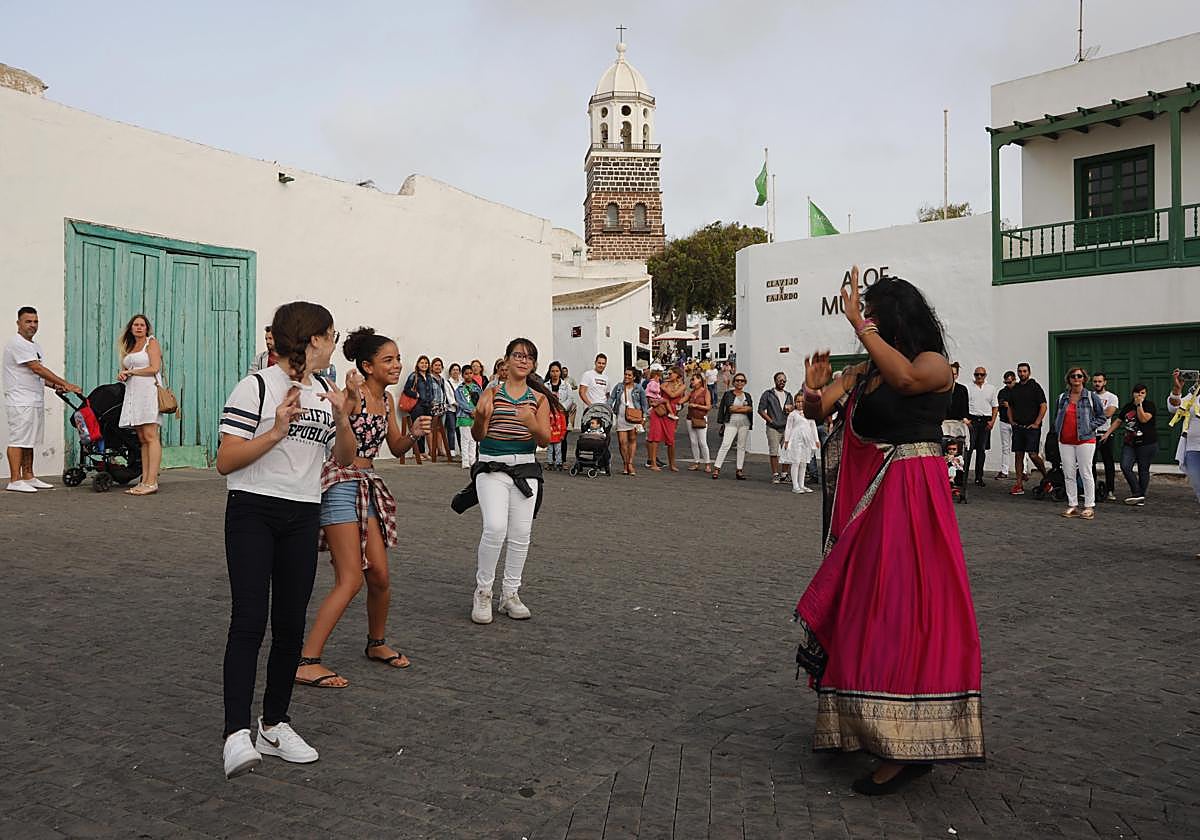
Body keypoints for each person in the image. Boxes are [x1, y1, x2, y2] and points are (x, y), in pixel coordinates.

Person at [794, 267, 984, 796]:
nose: (868, 318)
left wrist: (860, 326)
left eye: (876, 311)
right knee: (863, 600)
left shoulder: (932, 364)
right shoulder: (865, 371)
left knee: (905, 601)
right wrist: (813, 387)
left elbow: (906, 381)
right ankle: (866, 719)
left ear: (896, 316)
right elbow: (819, 408)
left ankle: (909, 740)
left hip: (913, 490)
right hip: (876, 496)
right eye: (866, 311)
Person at [216, 302, 356, 780]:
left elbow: (345, 457)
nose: (335, 344)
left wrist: (342, 418)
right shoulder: (255, 385)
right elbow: (226, 460)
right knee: (250, 618)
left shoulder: (324, 390)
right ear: (311, 339)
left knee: (291, 624)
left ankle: (273, 725)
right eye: (331, 335)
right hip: (253, 509)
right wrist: (276, 429)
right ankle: (236, 734)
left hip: (303, 511)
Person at [295, 327, 431, 690]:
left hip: (367, 486)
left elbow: (397, 446)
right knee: (351, 578)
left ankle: (376, 642)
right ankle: (307, 660)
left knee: (381, 577)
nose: (397, 365)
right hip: (340, 484)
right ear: (367, 366)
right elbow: (340, 442)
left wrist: (415, 432)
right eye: (389, 360)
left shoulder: (385, 402)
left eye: (398, 358)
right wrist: (348, 401)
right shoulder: (352, 399)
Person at [468, 338, 560, 624]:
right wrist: (482, 417)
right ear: (506, 361)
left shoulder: (539, 398)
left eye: (529, 357)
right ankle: (483, 592)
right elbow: (478, 435)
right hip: (492, 468)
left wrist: (531, 423)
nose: (523, 360)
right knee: (495, 527)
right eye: (518, 355)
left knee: (521, 534)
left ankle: (510, 594)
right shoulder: (492, 392)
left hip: (525, 470)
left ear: (533, 364)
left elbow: (545, 438)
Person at [4, 306, 82, 493]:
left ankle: (28, 476)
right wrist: (66, 383)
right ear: (18, 323)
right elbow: (36, 368)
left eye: (35, 321)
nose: (32, 325)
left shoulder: (34, 346)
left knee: (29, 440)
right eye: (28, 321)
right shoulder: (17, 343)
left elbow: (38, 375)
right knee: (18, 440)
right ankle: (14, 480)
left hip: (33, 399)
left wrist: (57, 386)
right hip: (20, 400)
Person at [116, 314, 164, 496]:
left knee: (151, 435)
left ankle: (152, 482)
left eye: (142, 325)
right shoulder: (129, 347)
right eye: (135, 325)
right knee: (142, 438)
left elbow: (154, 368)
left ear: (147, 328)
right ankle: (145, 479)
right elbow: (127, 370)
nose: (138, 328)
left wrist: (131, 371)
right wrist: (123, 374)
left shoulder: (151, 343)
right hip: (134, 393)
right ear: (130, 328)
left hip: (148, 392)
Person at [1053, 366, 1106, 520]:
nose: (1076, 379)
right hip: (1065, 440)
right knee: (1068, 473)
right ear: (1069, 379)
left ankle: (1089, 506)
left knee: (1085, 472)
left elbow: (1102, 416)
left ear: (1084, 378)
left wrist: (1090, 426)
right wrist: (1057, 429)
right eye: (1073, 376)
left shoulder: (1091, 397)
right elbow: (1058, 415)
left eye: (1079, 376)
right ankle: (1072, 504)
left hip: (1085, 439)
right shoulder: (1062, 397)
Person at [1109, 383, 1158, 505]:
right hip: (1130, 442)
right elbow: (1118, 421)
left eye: (1142, 393)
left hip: (1147, 443)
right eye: (1137, 393)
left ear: (1145, 394)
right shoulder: (1127, 406)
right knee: (1125, 466)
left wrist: (1139, 405)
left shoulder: (1149, 405)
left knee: (1143, 469)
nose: (1139, 395)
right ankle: (1137, 492)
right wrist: (1107, 433)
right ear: (1133, 393)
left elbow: (1143, 419)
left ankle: (1139, 496)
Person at [1007, 362, 1048, 496]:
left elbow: (1043, 406)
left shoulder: (1035, 387)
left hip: (1032, 428)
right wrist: (1012, 421)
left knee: (1033, 454)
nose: (1022, 373)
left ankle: (1046, 477)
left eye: (1024, 371)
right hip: (1018, 427)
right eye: (1020, 371)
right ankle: (1019, 484)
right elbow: (1010, 406)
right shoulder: (1015, 388)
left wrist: (1037, 423)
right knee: (1018, 454)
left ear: (1029, 372)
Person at [1167, 368, 1200, 510]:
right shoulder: (1193, 396)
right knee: (1197, 481)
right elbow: (1173, 407)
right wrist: (1177, 388)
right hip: (1193, 447)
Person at [712, 372, 753, 480]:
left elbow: (750, 409)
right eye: (738, 380)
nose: (740, 382)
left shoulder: (747, 395)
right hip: (731, 422)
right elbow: (730, 408)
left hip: (744, 423)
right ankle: (717, 467)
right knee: (726, 444)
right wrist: (743, 409)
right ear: (734, 382)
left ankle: (739, 469)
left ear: (745, 383)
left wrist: (739, 408)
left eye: (742, 381)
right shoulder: (728, 394)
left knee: (741, 446)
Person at [609, 367, 647, 475]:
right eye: (625, 374)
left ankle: (630, 463)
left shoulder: (638, 388)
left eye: (629, 375)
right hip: (621, 417)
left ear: (634, 377)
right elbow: (612, 398)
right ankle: (625, 463)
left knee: (632, 440)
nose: (626, 376)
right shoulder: (619, 386)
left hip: (634, 417)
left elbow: (644, 404)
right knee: (622, 442)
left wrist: (644, 417)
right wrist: (607, 408)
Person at [647, 365, 685, 472]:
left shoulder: (682, 386)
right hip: (659, 410)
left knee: (670, 439)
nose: (669, 375)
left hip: (671, 413)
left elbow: (673, 395)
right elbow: (657, 395)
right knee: (655, 436)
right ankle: (653, 463)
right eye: (668, 373)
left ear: (677, 374)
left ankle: (672, 464)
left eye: (671, 373)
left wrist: (664, 389)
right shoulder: (664, 383)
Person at [966, 366, 998, 487]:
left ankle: (979, 477)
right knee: (968, 449)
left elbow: (995, 406)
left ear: (985, 375)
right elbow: (964, 404)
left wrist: (992, 421)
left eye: (981, 374)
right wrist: (966, 420)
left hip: (985, 421)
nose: (979, 377)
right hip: (972, 420)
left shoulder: (991, 388)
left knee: (981, 449)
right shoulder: (968, 387)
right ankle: (963, 476)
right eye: (977, 374)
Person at [758, 372, 792, 484]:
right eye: (779, 380)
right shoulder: (768, 394)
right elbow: (761, 410)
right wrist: (770, 421)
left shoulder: (788, 395)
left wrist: (790, 410)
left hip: (786, 427)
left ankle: (785, 474)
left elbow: (792, 409)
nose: (782, 382)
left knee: (787, 451)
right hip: (773, 427)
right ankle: (775, 474)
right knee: (774, 451)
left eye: (784, 380)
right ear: (775, 380)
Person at [1091, 372, 1120, 501]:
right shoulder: (1089, 396)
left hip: (1105, 434)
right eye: (1095, 381)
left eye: (1099, 381)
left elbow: (1108, 413)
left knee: (1108, 463)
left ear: (1105, 382)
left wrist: (1093, 415)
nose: (1097, 384)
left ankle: (1109, 490)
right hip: (1090, 434)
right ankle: (1090, 490)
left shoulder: (1112, 397)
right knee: (1089, 464)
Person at [780, 397, 819, 494]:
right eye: (798, 401)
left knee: (804, 462)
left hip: (806, 441)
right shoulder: (792, 415)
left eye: (802, 401)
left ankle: (802, 484)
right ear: (795, 403)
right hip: (796, 440)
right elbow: (788, 427)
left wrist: (816, 440)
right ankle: (795, 485)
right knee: (796, 462)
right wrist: (786, 440)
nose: (800, 403)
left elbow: (813, 427)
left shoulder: (809, 414)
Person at [401, 355, 434, 464]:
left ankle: (423, 451)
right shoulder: (414, 376)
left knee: (425, 429)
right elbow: (406, 389)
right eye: (422, 362)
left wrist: (432, 399)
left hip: (427, 405)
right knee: (418, 429)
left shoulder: (429, 376)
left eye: (426, 363)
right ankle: (417, 453)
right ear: (418, 364)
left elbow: (431, 390)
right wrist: (416, 394)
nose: (424, 365)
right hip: (417, 406)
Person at [545, 361, 574, 471]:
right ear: (550, 372)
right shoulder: (546, 385)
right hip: (549, 414)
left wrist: (563, 407)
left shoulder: (566, 385)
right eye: (552, 371)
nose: (555, 373)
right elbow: (543, 398)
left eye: (557, 371)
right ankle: (550, 461)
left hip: (561, 414)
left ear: (560, 372)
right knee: (550, 438)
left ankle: (562, 460)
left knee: (562, 437)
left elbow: (570, 398)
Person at [683, 372, 712, 471]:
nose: (692, 381)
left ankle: (707, 463)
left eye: (693, 379)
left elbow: (708, 406)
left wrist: (696, 406)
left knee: (702, 442)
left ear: (700, 380)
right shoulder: (691, 392)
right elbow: (682, 400)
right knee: (693, 441)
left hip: (700, 418)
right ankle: (696, 461)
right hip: (690, 418)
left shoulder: (705, 392)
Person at [455, 369, 482, 470]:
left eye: (470, 373)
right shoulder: (459, 389)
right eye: (466, 374)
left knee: (473, 439)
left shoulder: (477, 388)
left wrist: (477, 411)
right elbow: (460, 402)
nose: (469, 375)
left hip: (475, 416)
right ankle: (465, 461)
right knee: (465, 439)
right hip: (464, 416)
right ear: (462, 375)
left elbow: (481, 399)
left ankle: (473, 460)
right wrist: (471, 410)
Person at [426, 358, 452, 462]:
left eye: (440, 365)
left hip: (442, 406)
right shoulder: (429, 378)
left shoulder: (442, 379)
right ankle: (433, 450)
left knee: (440, 429)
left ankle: (440, 449)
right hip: (433, 405)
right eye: (436, 365)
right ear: (432, 367)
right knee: (431, 428)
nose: (438, 367)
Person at [994, 370, 1017, 481]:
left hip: (1017, 422)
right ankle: (1004, 470)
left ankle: (1023, 470)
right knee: (1005, 447)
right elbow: (998, 404)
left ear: (1014, 380)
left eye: (1010, 382)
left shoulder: (1019, 391)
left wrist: (1009, 404)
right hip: (1004, 421)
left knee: (1020, 447)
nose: (1008, 385)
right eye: (1006, 382)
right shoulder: (1002, 392)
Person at [578, 353, 609, 423]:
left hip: (603, 412)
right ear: (595, 363)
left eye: (603, 363)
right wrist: (590, 406)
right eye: (599, 363)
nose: (601, 365)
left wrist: (607, 407)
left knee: (603, 432)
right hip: (591, 411)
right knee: (590, 432)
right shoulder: (588, 375)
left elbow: (607, 394)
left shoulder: (606, 378)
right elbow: (581, 392)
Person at [444, 363, 464, 460]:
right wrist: (458, 404)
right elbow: (449, 397)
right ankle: (451, 450)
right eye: (453, 370)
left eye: (457, 370)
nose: (455, 371)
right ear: (450, 372)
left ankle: (462, 450)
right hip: (451, 410)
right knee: (451, 429)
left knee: (460, 430)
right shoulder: (447, 382)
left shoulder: (462, 382)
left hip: (461, 411)